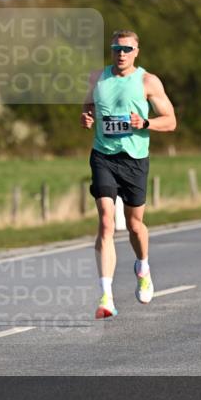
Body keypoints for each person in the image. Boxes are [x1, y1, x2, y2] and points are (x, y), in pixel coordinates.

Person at [80, 30, 177, 319]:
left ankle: (143, 266)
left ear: (136, 52)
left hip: (135, 159)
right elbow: (88, 105)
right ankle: (106, 296)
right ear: (111, 50)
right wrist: (87, 117)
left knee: (135, 225)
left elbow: (171, 121)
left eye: (126, 49)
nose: (121, 54)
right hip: (103, 156)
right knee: (106, 223)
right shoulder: (97, 78)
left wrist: (144, 123)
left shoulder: (148, 81)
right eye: (116, 48)